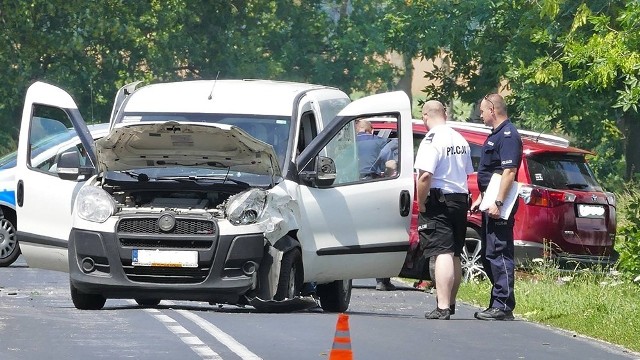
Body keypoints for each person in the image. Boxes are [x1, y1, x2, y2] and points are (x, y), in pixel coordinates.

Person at [415, 100, 473, 320]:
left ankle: (442, 306)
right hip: (460, 198)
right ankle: (451, 301)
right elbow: (466, 173)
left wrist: (421, 203)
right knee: (455, 253)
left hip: (439, 200)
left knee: (443, 252)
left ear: (426, 115)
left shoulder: (431, 139)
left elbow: (425, 176)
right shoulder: (459, 138)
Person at [470, 93, 522, 321]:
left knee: (499, 253)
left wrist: (498, 202)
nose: (480, 115)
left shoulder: (508, 136)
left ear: (492, 109)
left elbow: (509, 172)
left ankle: (503, 305)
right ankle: (497, 301)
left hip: (500, 204)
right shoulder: (497, 135)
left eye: (482, 111)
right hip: (490, 200)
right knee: (489, 255)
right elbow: (493, 174)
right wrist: (483, 197)